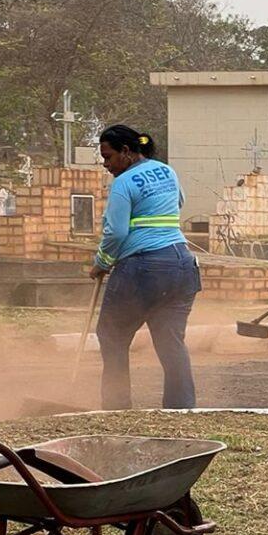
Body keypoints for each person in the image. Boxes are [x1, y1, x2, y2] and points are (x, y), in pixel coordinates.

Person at [92, 125, 202, 410]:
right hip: (182, 265)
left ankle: (117, 408)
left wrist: (101, 263)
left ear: (126, 152)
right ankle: (181, 409)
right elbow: (179, 201)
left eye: (109, 157)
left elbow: (115, 233)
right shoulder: (166, 170)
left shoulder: (123, 183)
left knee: (112, 335)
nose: (106, 165)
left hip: (143, 269)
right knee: (171, 342)